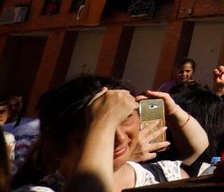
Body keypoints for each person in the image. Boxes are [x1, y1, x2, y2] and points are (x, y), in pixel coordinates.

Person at [10, 77, 194, 191]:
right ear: (57, 147)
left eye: (125, 118)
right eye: (103, 128)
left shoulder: (168, 177)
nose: (120, 138)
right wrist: (102, 122)